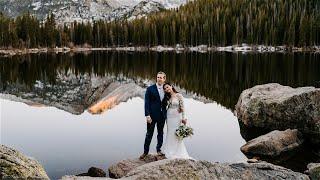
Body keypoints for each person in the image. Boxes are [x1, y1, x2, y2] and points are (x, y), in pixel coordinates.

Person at [140, 72, 167, 160]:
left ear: (164, 79)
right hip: (151, 116)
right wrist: (147, 115)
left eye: (161, 77)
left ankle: (158, 150)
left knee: (160, 133)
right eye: (158, 77)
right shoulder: (150, 89)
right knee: (149, 134)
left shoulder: (166, 89)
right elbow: (146, 103)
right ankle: (145, 152)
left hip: (162, 116)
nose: (159, 79)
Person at [162, 82, 192, 159]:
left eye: (167, 87)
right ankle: (169, 149)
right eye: (165, 89)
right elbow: (165, 107)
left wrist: (183, 118)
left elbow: (182, 108)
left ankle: (176, 151)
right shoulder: (167, 97)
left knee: (176, 132)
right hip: (169, 117)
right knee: (170, 132)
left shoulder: (179, 95)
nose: (166, 89)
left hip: (176, 117)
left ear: (171, 86)